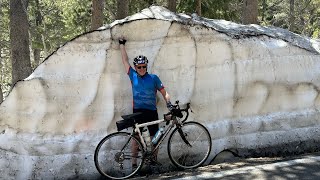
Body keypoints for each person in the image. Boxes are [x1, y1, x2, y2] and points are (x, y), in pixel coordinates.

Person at [119, 38, 172, 167]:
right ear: (136, 68)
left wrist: (168, 103)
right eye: (139, 67)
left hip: (152, 112)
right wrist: (121, 45)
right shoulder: (133, 75)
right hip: (138, 111)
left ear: (146, 66)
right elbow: (125, 61)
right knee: (136, 138)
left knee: (156, 139)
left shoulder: (154, 78)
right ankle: (134, 164)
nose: (141, 69)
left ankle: (153, 162)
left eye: (143, 66)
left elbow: (164, 92)